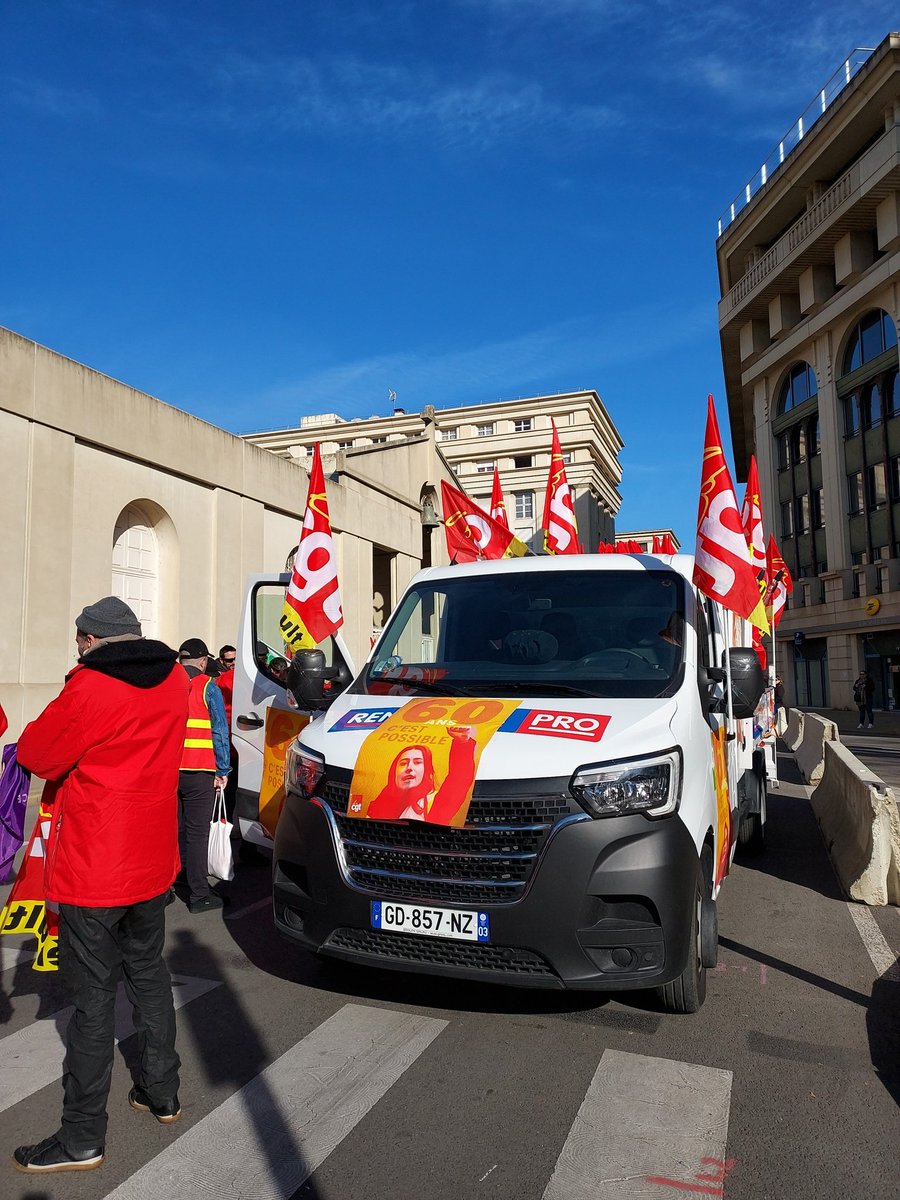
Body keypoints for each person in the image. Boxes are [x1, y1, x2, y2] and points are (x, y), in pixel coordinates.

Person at [12, 596, 188, 1175]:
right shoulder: (175, 679)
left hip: (97, 863)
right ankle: (162, 1092)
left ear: (89, 640)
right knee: (149, 972)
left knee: (90, 1005)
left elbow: (39, 752)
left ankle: (82, 1137)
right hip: (150, 859)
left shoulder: (90, 687)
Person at [177, 638, 231, 912]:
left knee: (171, 830)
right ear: (202, 661)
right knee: (197, 833)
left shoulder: (165, 684)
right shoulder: (209, 687)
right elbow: (219, 732)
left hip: (168, 770)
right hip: (199, 770)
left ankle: (170, 882)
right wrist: (223, 770)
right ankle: (199, 894)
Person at [364, 726, 477, 823]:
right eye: (403, 763)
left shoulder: (433, 803)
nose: (409, 768)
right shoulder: (380, 803)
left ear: (426, 771)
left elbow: (459, 779)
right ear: (394, 771)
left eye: (417, 762)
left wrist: (462, 743)